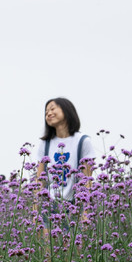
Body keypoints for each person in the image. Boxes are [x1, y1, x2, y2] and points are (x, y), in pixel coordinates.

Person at [32, 98, 96, 242]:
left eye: (53, 109)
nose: (49, 113)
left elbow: (87, 181)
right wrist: (35, 211)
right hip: (50, 206)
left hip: (75, 206)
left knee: (73, 257)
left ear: (67, 110)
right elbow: (39, 180)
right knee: (50, 256)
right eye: (46, 111)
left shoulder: (83, 141)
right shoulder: (45, 143)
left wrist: (85, 212)